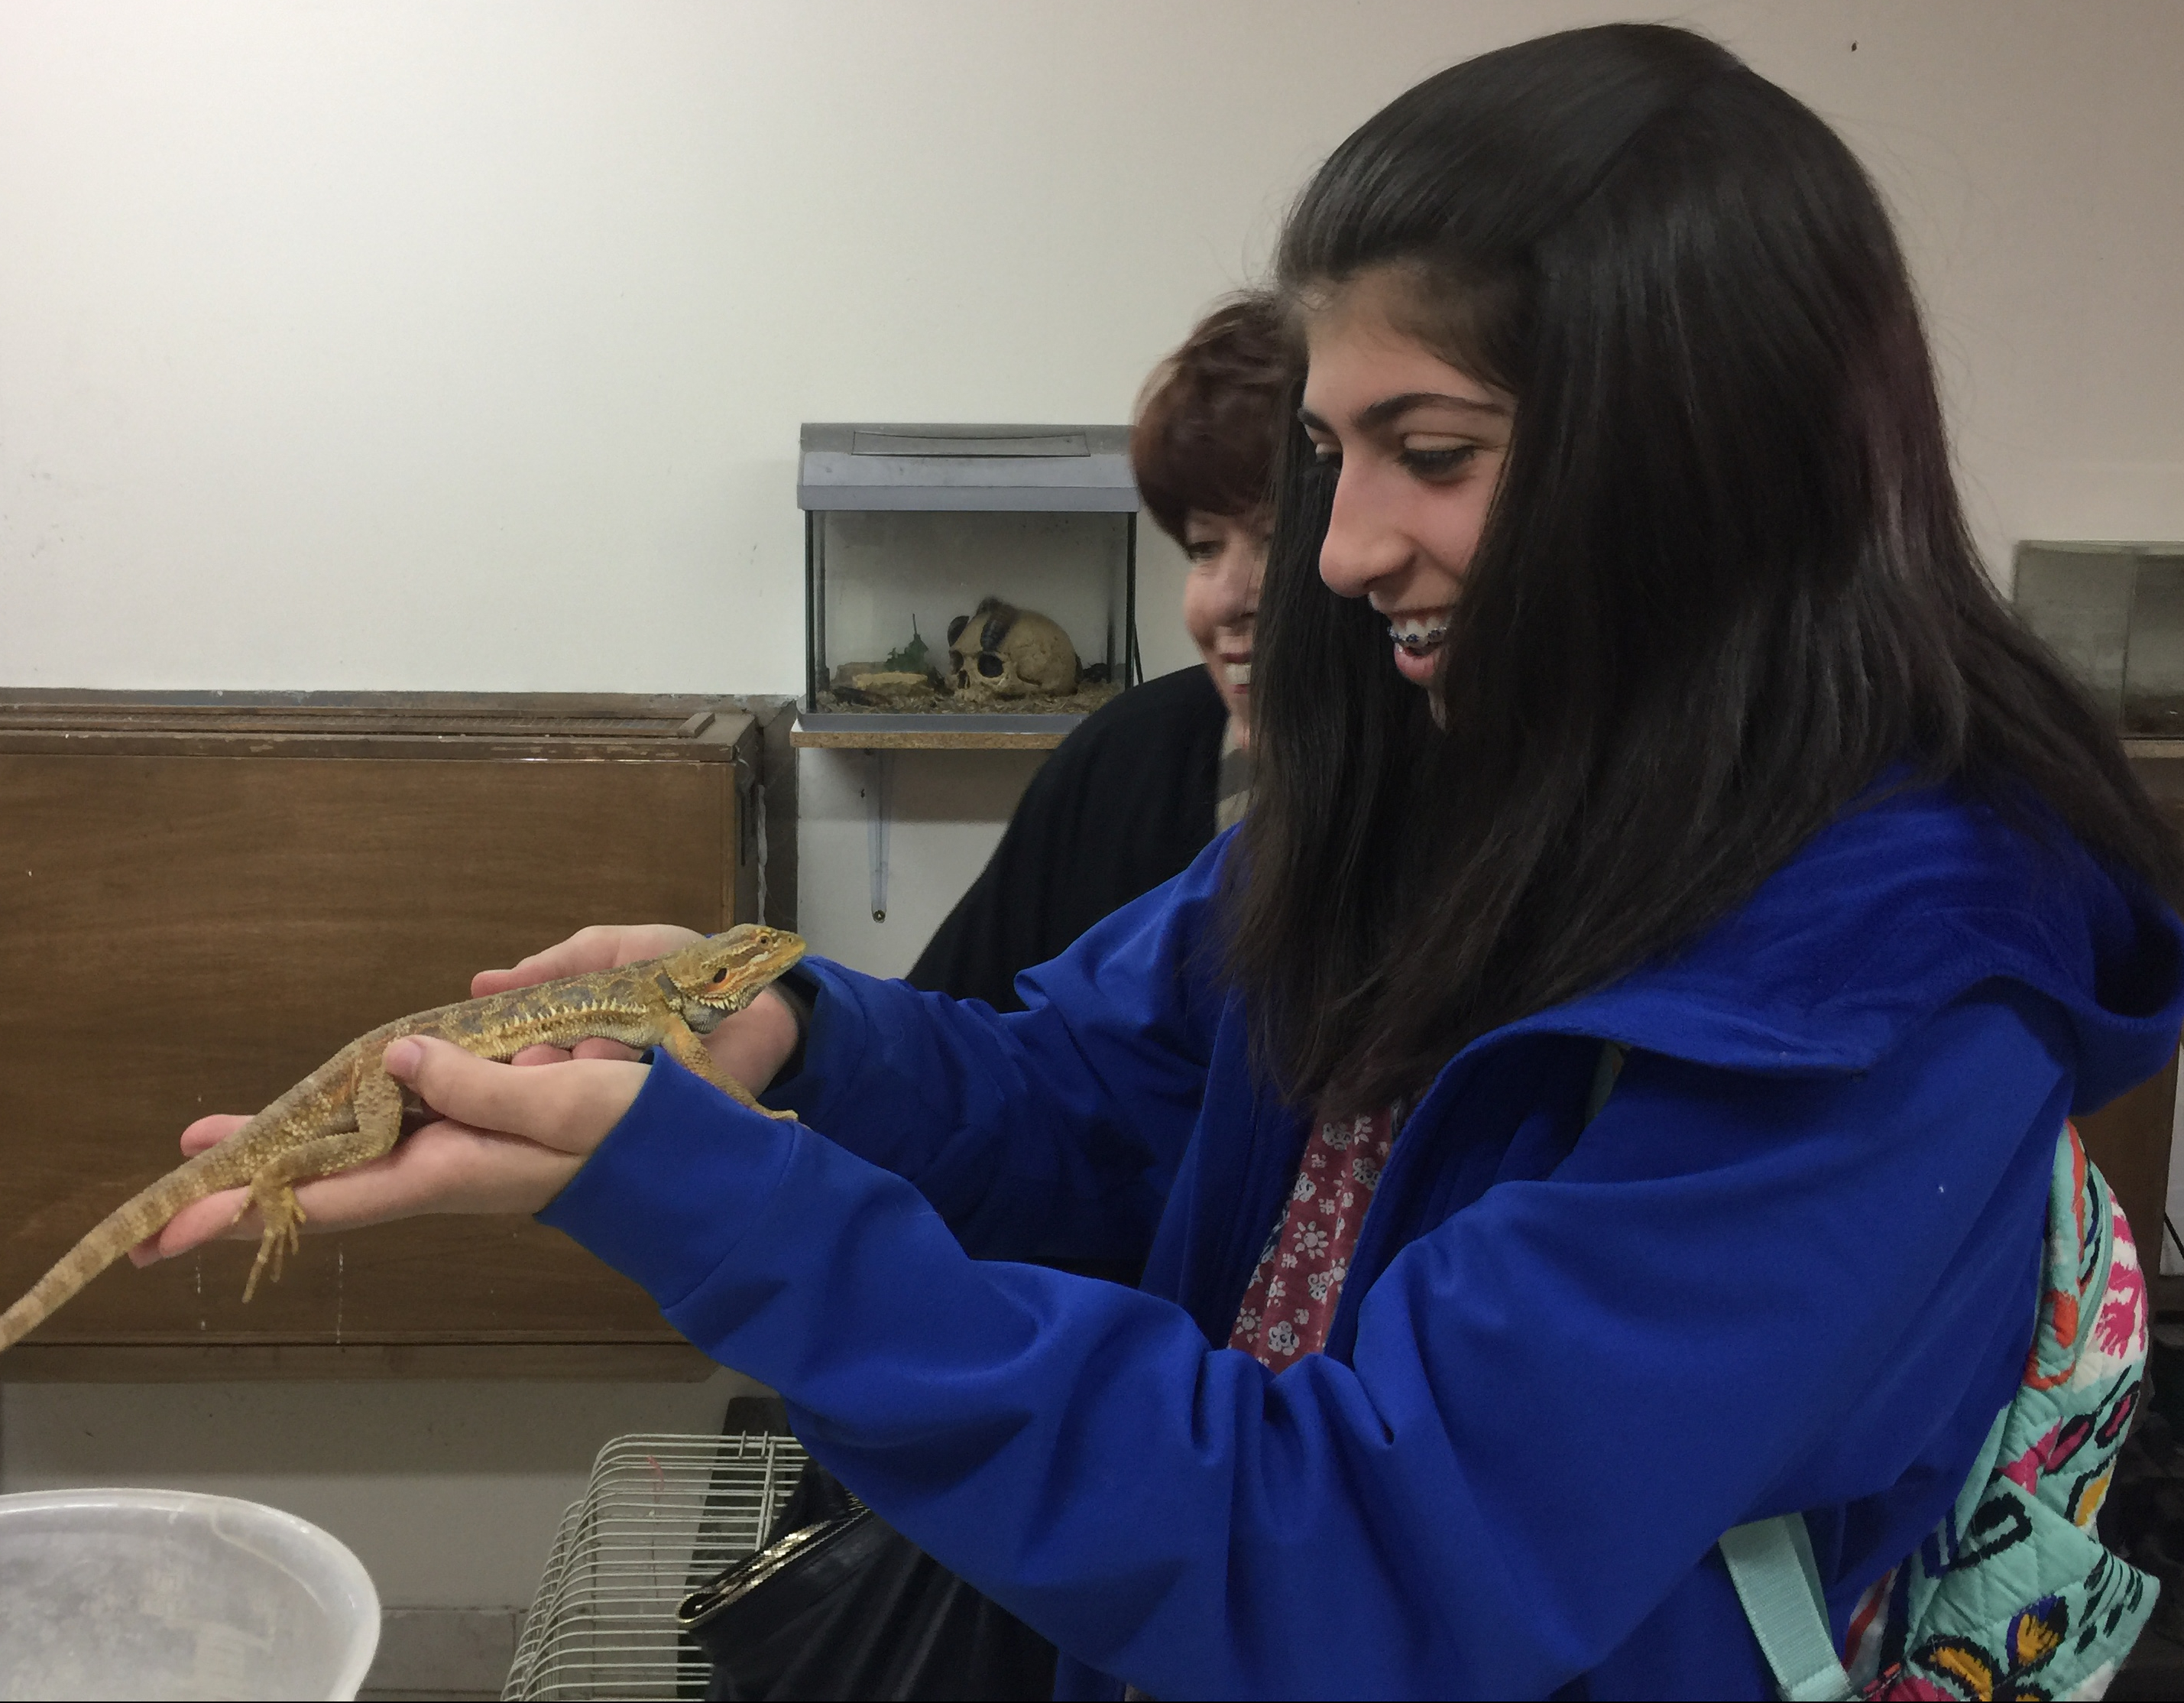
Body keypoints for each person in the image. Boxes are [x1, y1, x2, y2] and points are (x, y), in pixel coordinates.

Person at [139, 24, 2184, 1697]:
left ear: (1702, 456)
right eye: (1327, 458)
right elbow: (1117, 1098)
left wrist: (709, 1197)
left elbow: (1367, 1550)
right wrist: (793, 1037)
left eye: (1436, 453)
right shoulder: (1456, 787)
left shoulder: (1881, 1010)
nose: (1346, 548)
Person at [908, 294, 1288, 1010]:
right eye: (1205, 547)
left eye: (1280, 537)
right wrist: (806, 1022)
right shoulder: (1126, 759)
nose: (1228, 599)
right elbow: (970, 1028)